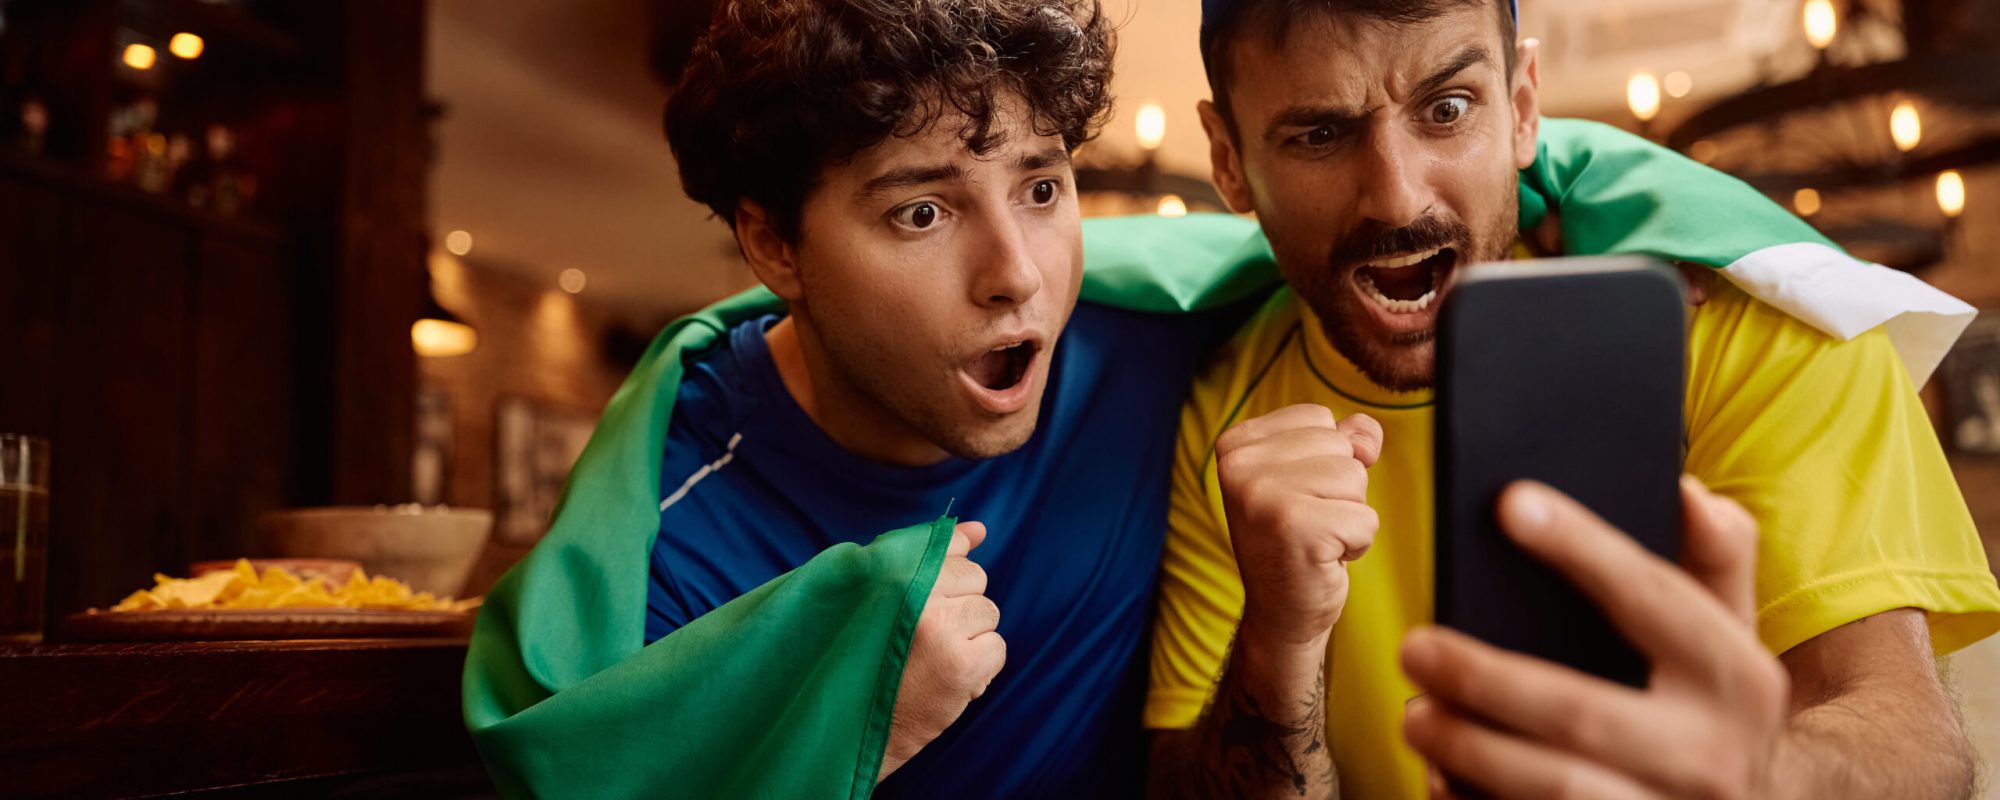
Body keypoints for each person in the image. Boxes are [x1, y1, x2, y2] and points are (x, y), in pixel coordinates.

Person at [1144, 0, 2000, 798]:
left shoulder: (1751, 327)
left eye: (1448, 108)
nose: (1398, 194)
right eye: (1320, 134)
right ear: (1229, 160)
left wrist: (1761, 775)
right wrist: (1277, 646)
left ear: (1521, 106)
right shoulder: (1230, 412)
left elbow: (1915, 746)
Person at [461, 1, 1271, 797]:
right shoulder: (671, 547)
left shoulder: (1160, 343)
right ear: (775, 246)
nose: (1018, 274)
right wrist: (850, 719)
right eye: (922, 213)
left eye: (1041, 189)